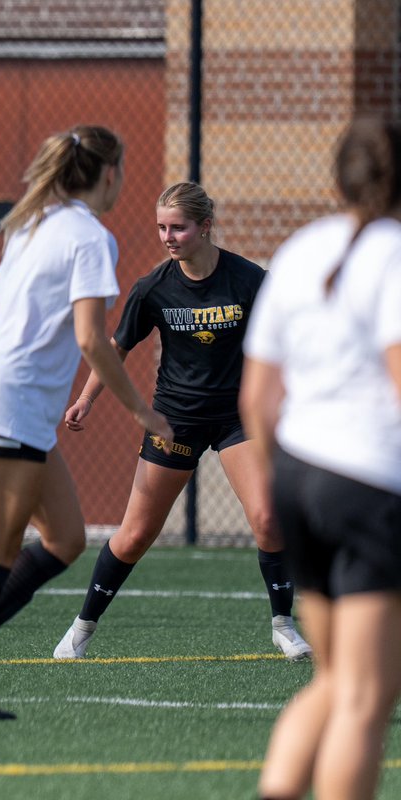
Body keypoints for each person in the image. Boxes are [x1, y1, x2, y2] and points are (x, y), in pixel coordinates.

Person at [0, 125, 173, 720]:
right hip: (7, 407)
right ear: (109, 174)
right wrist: (141, 409)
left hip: (4, 403)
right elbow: (92, 337)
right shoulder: (90, 237)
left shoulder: (31, 225)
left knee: (64, 539)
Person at [49, 182, 312, 662]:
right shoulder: (153, 287)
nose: (168, 237)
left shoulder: (250, 279)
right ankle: (81, 628)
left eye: (179, 227)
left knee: (269, 519)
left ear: (205, 226)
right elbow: (117, 348)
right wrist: (86, 397)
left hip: (237, 420)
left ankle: (283, 626)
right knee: (134, 536)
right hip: (175, 421)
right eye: (161, 228)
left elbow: (289, 339)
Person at [246, 118, 401, 800]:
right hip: (367, 483)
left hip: (298, 476)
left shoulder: (299, 250)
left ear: (335, 179)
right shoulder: (394, 253)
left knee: (335, 679)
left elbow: (258, 396)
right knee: (366, 698)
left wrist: (272, 485)